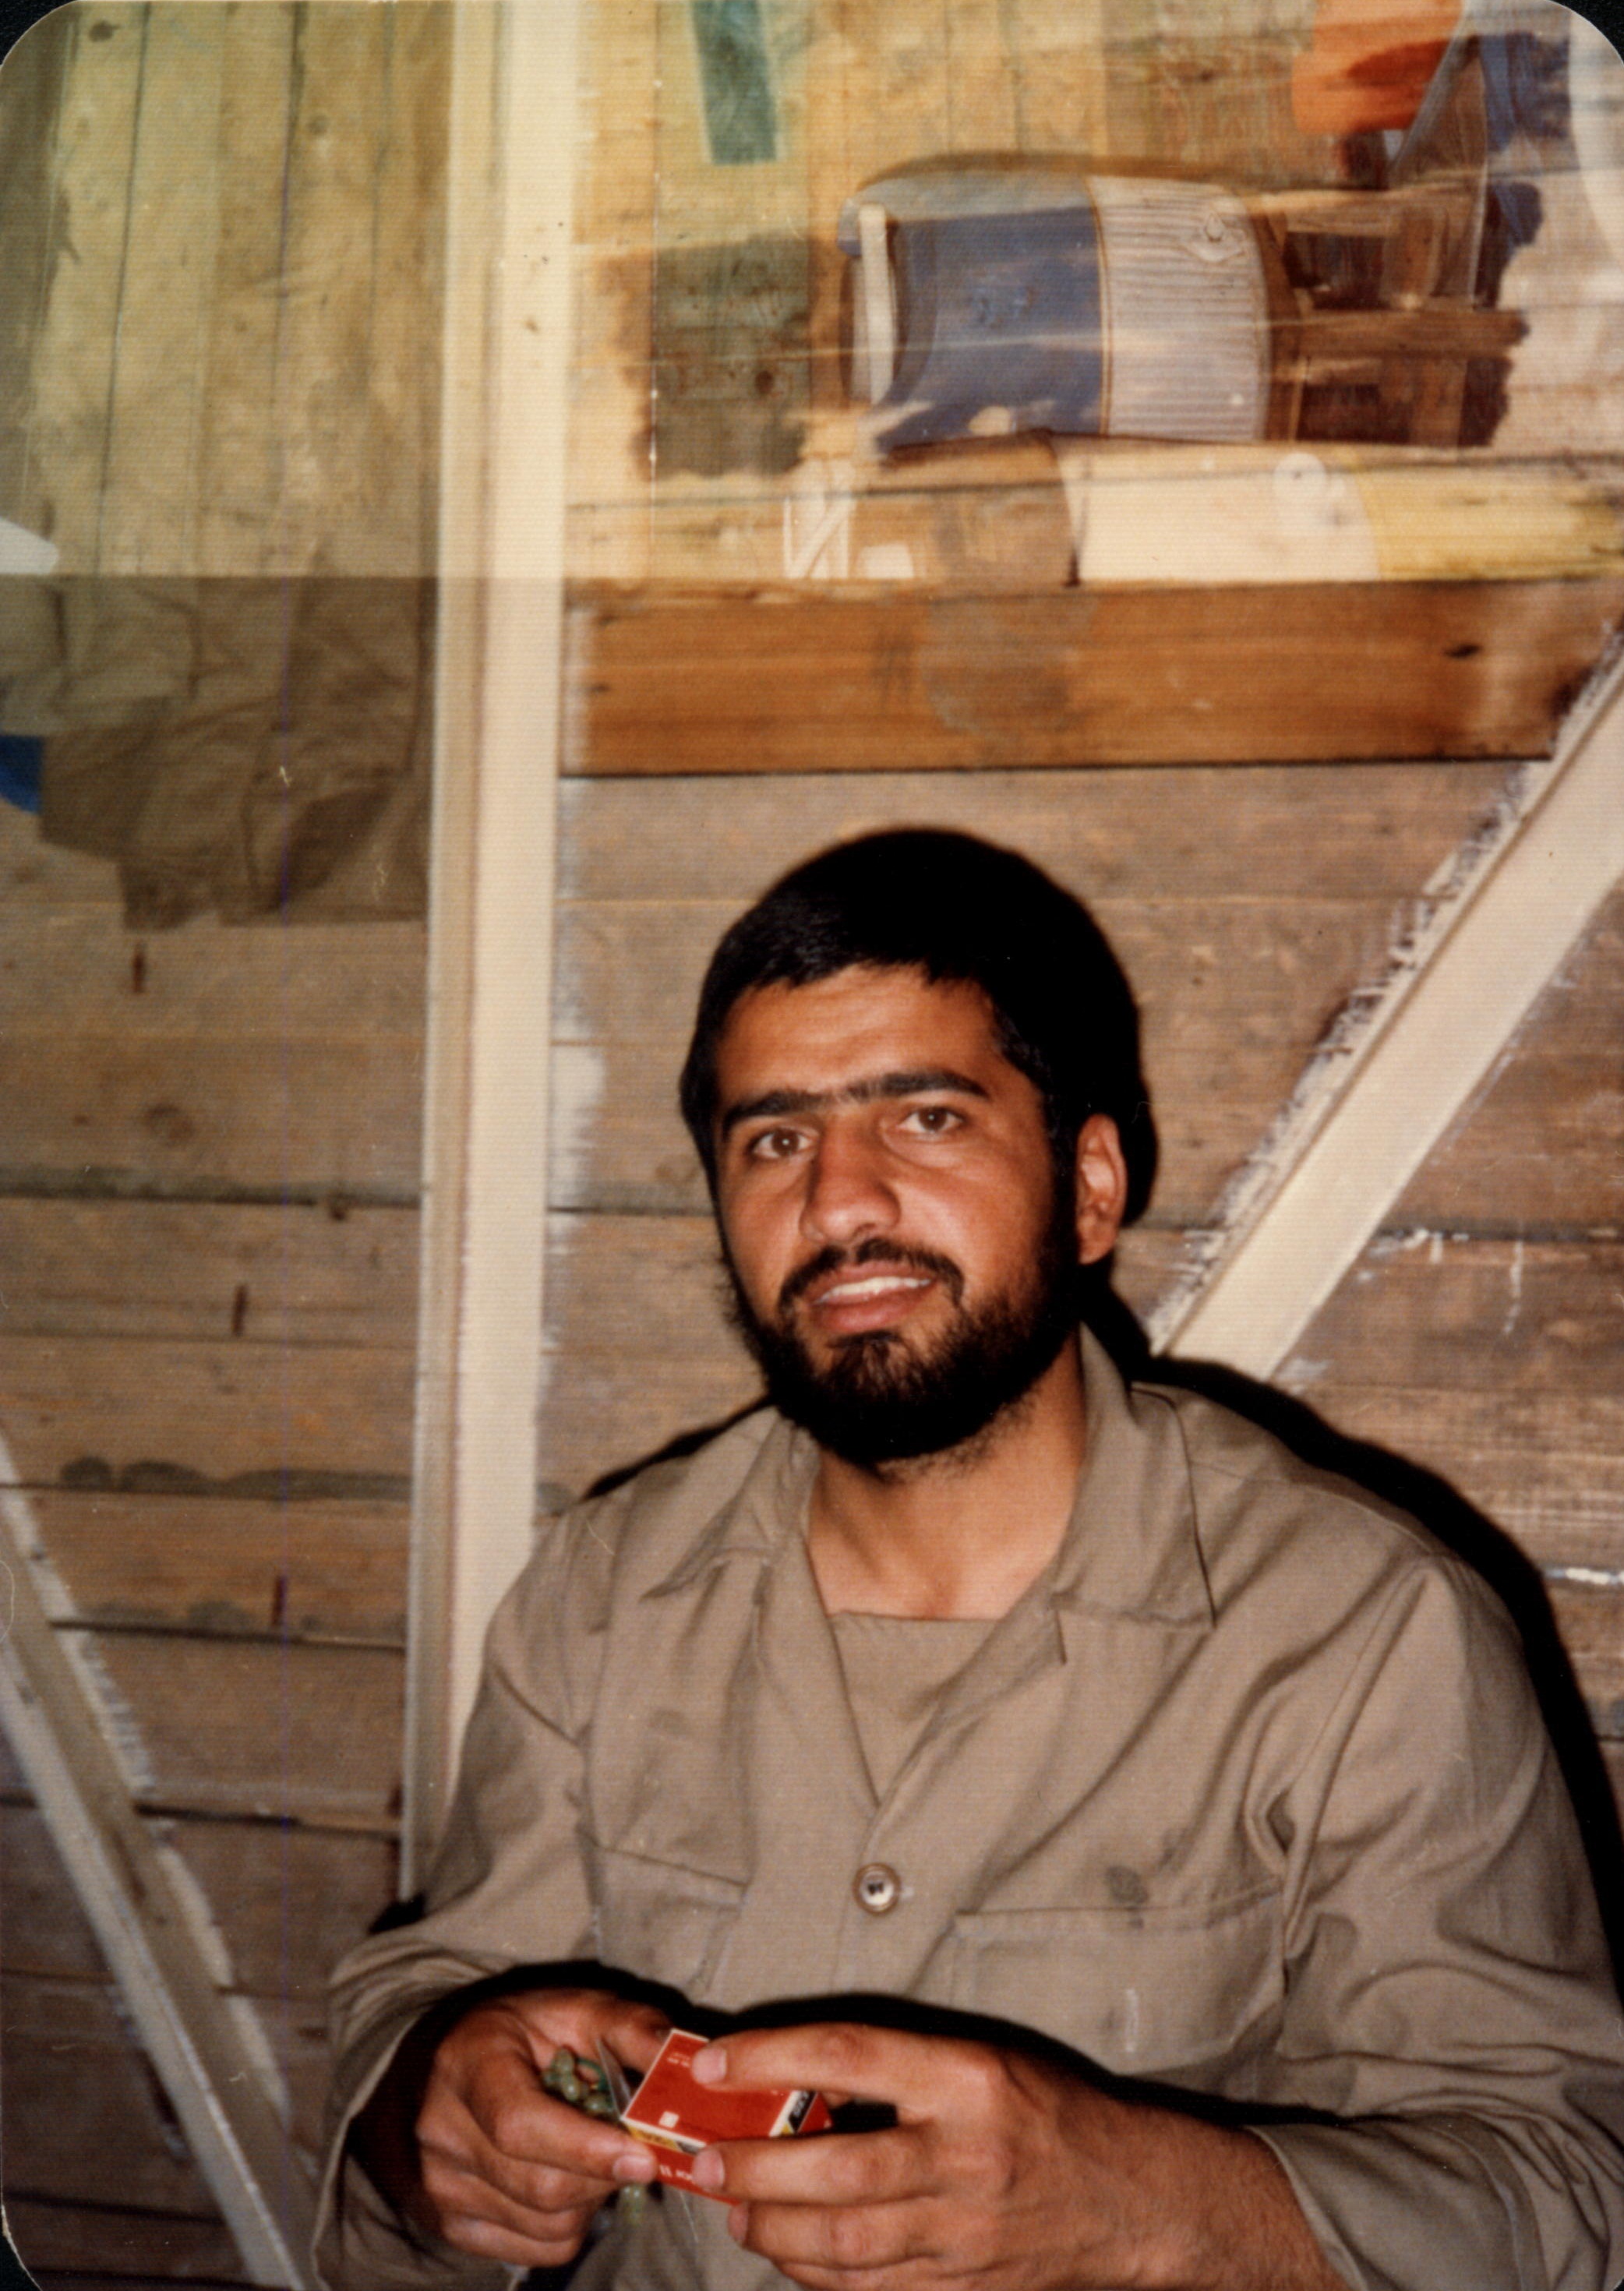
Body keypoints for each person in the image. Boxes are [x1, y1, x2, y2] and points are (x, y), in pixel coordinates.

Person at [316, 830, 1624, 2291]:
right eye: (774, 1141)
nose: (839, 1204)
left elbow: (1569, 2190)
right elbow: (436, 2003)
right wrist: (432, 2106)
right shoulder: (601, 1594)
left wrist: (1149, 2206)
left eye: (927, 1118)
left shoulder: (1368, 1634)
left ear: (1091, 1187)